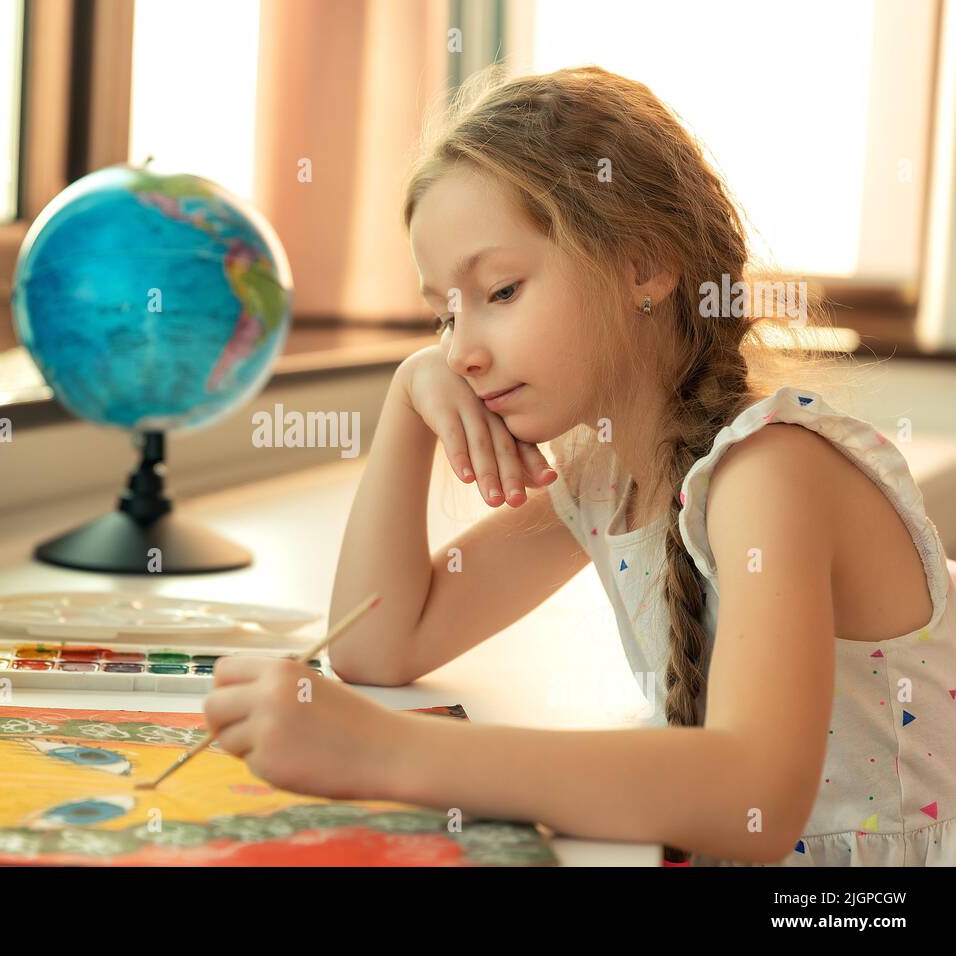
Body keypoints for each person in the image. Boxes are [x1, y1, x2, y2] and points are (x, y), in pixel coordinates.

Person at [202, 64, 955, 866]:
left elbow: (753, 800)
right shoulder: (606, 479)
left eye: (500, 290)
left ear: (643, 267)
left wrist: (379, 753)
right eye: (442, 315)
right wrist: (405, 398)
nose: (462, 351)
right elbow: (378, 644)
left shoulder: (770, 474)